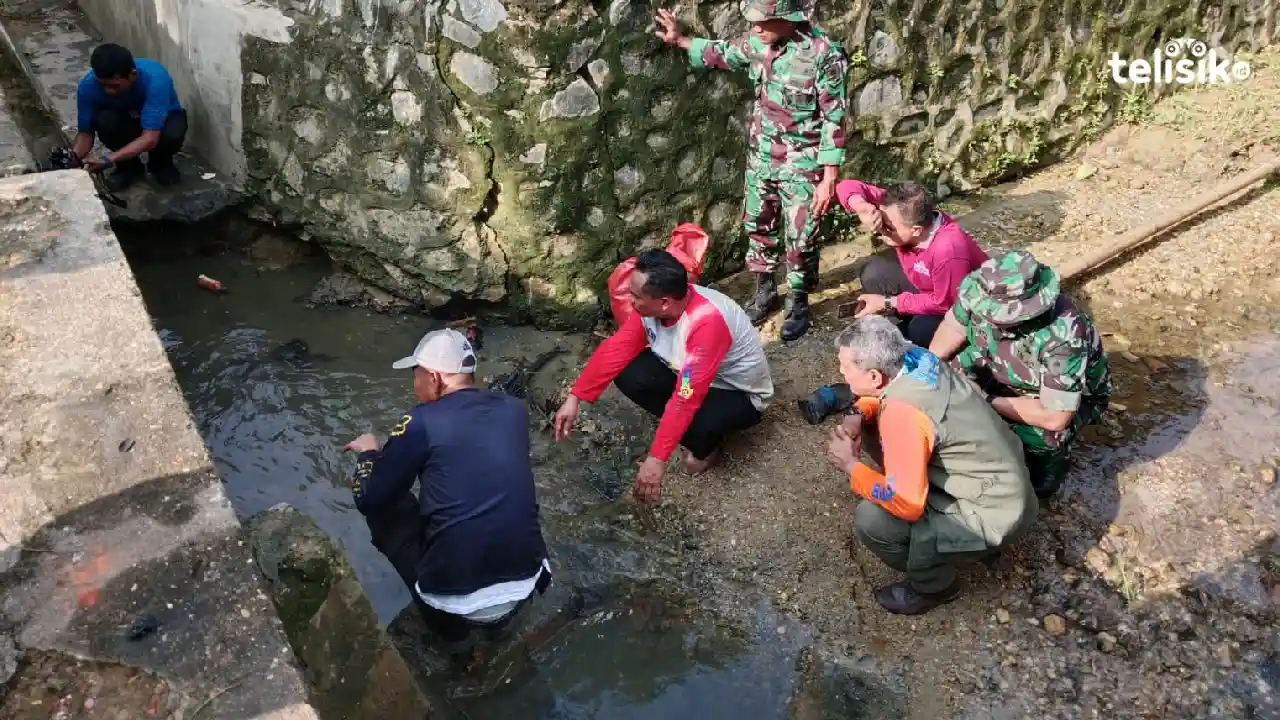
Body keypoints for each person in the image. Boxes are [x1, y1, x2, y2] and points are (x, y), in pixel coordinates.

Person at [343, 329, 551, 651]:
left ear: (436, 378)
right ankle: (500, 626)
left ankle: (452, 637)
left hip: (456, 598)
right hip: (526, 580)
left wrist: (370, 454)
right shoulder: (514, 410)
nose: (414, 386)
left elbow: (370, 499)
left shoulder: (421, 421)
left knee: (386, 507)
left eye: (417, 376)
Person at [652, 0, 849, 342]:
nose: (756, 28)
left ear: (788, 20)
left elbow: (835, 115)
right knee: (758, 223)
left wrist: (829, 175)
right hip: (762, 158)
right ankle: (765, 290)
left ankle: (798, 300)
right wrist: (681, 41)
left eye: (764, 22)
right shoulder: (759, 43)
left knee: (802, 236)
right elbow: (727, 52)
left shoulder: (824, 54)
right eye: (754, 22)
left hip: (804, 162)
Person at [824, 315, 1038, 615]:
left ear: (874, 376)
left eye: (845, 366)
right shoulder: (916, 356)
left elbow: (907, 503)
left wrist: (851, 465)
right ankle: (974, 547)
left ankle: (934, 585)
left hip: (993, 514)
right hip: (1008, 488)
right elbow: (883, 399)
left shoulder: (903, 415)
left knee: (872, 521)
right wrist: (858, 411)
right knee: (873, 427)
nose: (841, 372)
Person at [552, 249, 774, 504]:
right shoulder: (653, 308)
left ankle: (706, 448)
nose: (630, 300)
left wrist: (656, 459)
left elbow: (686, 397)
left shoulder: (706, 323)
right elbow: (618, 347)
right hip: (697, 377)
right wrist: (575, 398)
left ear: (665, 302)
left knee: (700, 420)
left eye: (635, 296)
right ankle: (687, 432)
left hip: (739, 393)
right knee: (628, 372)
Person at [928, 250, 1113, 499]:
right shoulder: (981, 293)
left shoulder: (1063, 335)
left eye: (995, 316)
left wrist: (985, 401)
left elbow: (1055, 416)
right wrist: (931, 365)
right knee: (945, 376)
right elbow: (953, 326)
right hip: (997, 361)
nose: (985, 317)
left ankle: (1043, 476)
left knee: (1044, 437)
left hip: (1054, 397)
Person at [836, 180, 989, 347]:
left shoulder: (948, 250)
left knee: (919, 331)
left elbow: (945, 303)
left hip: (960, 302)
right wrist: (861, 206)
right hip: (924, 280)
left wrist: (888, 302)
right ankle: (897, 324)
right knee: (874, 273)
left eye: (888, 227)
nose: (881, 230)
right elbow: (846, 186)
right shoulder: (901, 206)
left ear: (916, 230)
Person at [73, 43, 187, 191]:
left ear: (132, 75)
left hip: (161, 122)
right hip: (125, 120)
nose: (108, 91)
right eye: (103, 85)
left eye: (115, 86)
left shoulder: (155, 78)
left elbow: (150, 138)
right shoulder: (87, 87)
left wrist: (108, 160)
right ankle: (128, 167)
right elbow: (85, 134)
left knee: (172, 133)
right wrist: (72, 160)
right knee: (104, 121)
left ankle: (160, 163)